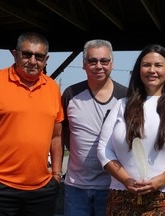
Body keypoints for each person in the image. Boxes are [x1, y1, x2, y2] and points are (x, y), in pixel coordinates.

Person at [97, 44, 165, 215]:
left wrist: (163, 179)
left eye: (158, 65)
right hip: (125, 196)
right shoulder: (122, 105)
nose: (152, 70)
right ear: (138, 70)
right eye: (146, 65)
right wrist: (126, 180)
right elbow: (104, 149)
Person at [0, 32, 64, 216]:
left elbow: (56, 136)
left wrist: (56, 175)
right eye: (26, 54)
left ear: (46, 59)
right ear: (15, 54)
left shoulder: (53, 88)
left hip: (41, 190)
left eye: (39, 56)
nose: (32, 61)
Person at [61, 39, 127, 216]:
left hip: (113, 187)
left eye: (104, 61)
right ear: (84, 65)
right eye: (92, 61)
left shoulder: (126, 96)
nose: (99, 66)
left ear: (111, 64)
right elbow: (64, 133)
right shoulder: (70, 94)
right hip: (76, 188)